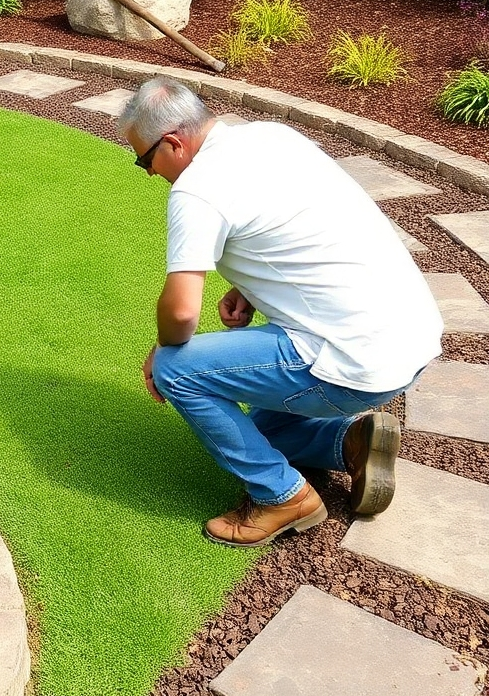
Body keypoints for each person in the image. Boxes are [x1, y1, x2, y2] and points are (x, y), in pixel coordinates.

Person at [117, 77, 443, 547]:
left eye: (145, 159)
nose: (148, 172)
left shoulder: (195, 190)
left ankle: (282, 497)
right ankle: (349, 442)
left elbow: (183, 312)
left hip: (356, 366)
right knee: (258, 431)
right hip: (410, 341)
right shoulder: (272, 135)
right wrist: (248, 287)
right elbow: (303, 224)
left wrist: (160, 350)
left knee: (176, 369)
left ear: (172, 143)